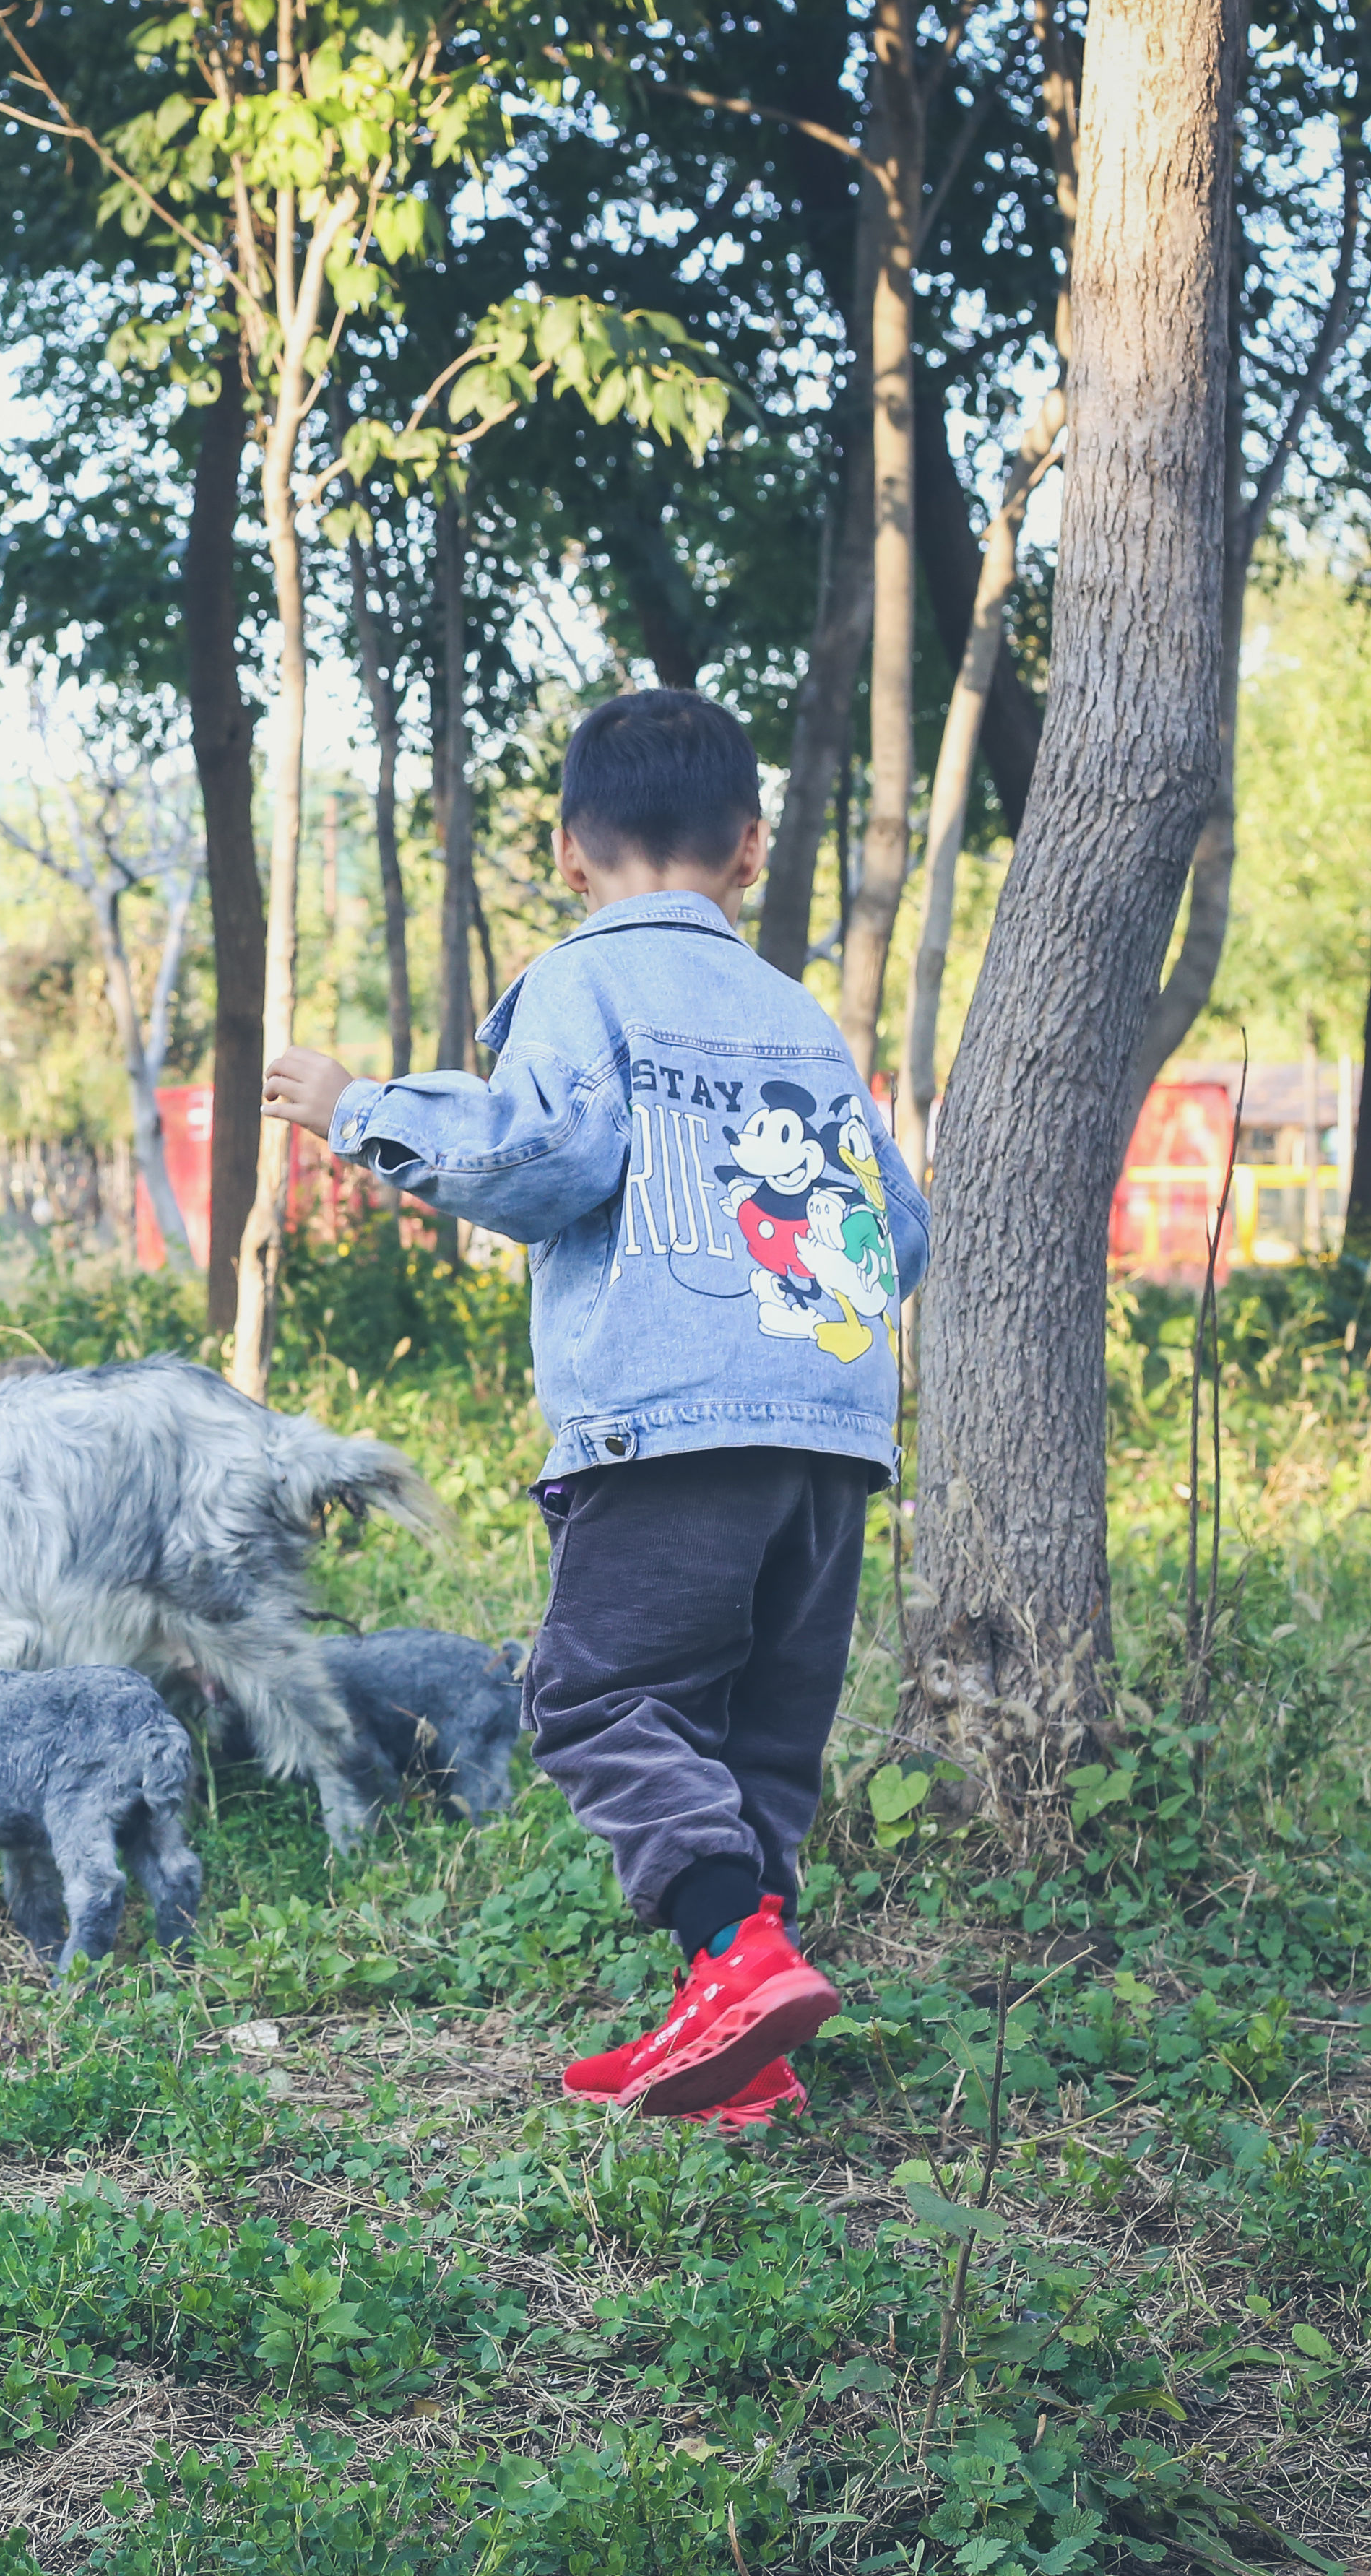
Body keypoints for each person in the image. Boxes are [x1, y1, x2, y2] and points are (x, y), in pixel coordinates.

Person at [259, 688, 931, 2130]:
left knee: (595, 1695)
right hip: (826, 1440)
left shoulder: (583, 984)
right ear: (751, 850)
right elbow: (905, 1233)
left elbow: (546, 1157)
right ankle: (743, 2039)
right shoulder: (802, 1017)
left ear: (570, 855)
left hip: (672, 1425)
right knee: (754, 1743)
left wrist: (360, 1108)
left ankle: (739, 1968)